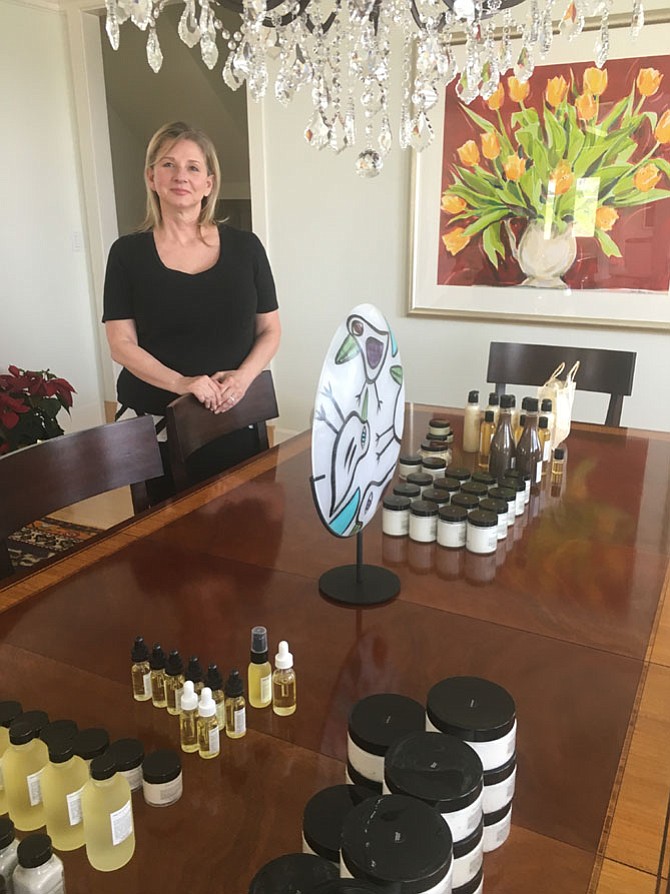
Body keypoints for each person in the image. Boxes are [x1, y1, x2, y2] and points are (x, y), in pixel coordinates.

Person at [103, 121, 280, 500]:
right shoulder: (126, 254)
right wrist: (182, 384)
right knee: (168, 543)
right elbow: (120, 344)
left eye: (193, 167)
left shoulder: (247, 248)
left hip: (235, 416)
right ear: (151, 177)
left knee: (245, 530)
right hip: (158, 425)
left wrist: (243, 379)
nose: (180, 175)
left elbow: (270, 330)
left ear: (209, 184)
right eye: (168, 165)